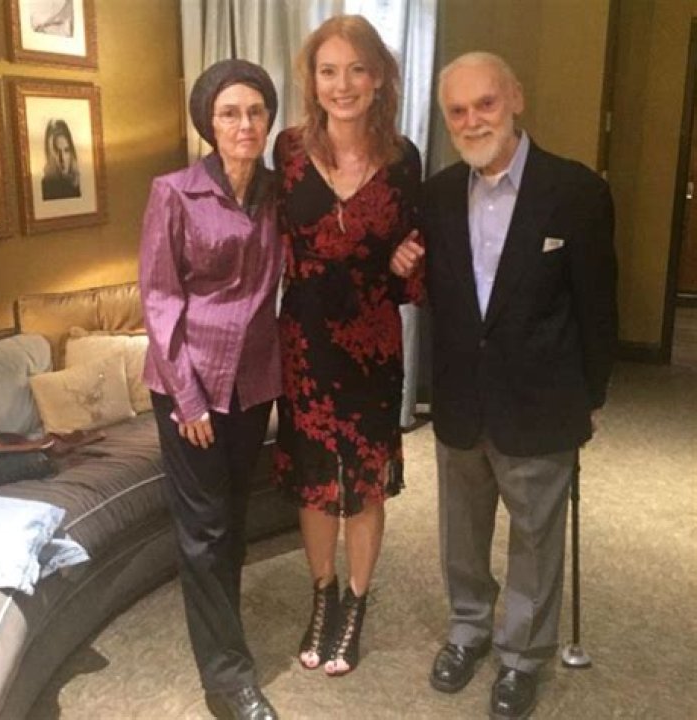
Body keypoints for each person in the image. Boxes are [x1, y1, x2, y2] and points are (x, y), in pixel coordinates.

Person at [417, 52, 618, 719]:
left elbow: (598, 304)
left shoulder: (576, 190)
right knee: (461, 532)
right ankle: (468, 628)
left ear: (516, 100)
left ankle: (522, 656)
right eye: (458, 110)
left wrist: (591, 395)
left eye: (486, 103)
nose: (473, 120)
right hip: (461, 399)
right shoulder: (437, 196)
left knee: (535, 536)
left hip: (541, 398)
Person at [272, 14, 424, 677]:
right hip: (304, 342)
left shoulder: (404, 159)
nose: (343, 84)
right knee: (315, 482)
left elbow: (414, 254)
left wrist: (407, 259)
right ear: (312, 80)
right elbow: (269, 238)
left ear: (379, 77)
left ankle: (357, 602)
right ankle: (323, 596)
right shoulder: (287, 151)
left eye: (357, 69)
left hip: (371, 341)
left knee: (362, 483)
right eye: (329, 71)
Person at [139, 59, 281, 720]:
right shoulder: (174, 192)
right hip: (188, 387)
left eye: (255, 111)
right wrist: (187, 398)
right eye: (230, 113)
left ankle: (221, 633)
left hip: (252, 386)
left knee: (233, 521)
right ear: (209, 122)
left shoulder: (279, 194)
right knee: (205, 529)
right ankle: (227, 682)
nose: (244, 124)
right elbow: (159, 298)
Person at [41, 118, 81, 201]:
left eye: (66, 150)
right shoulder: (46, 188)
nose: (62, 158)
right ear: (49, 154)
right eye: (57, 151)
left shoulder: (78, 184)